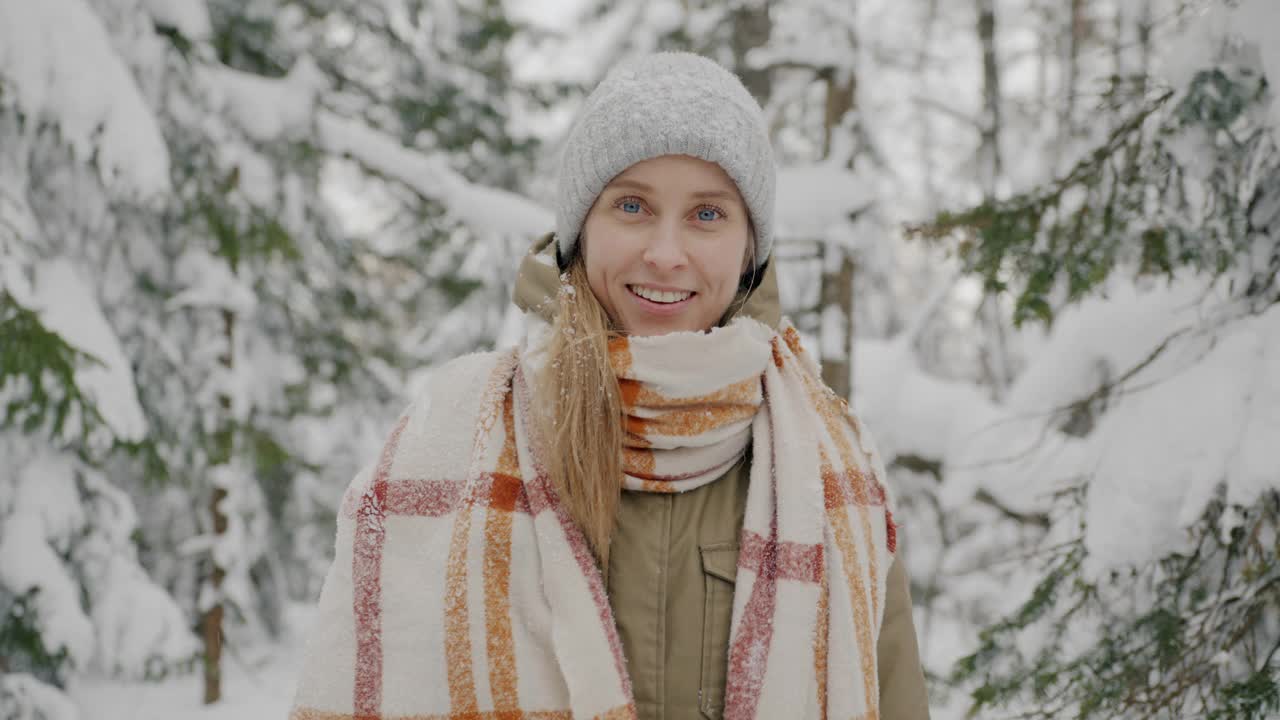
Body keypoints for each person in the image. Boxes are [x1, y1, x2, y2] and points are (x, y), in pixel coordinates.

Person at [289, 52, 930, 720]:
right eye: (632, 205)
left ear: (749, 251)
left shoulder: (835, 470)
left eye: (708, 215)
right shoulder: (453, 438)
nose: (665, 252)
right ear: (579, 232)